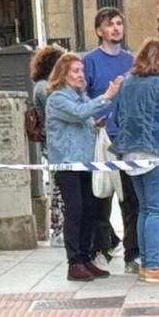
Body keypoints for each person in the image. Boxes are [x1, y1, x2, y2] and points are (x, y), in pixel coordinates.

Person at [45, 51, 122, 281]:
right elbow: (79, 114)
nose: (81, 75)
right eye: (75, 71)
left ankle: (86, 257)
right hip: (68, 164)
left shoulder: (82, 97)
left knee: (91, 210)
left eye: (81, 71)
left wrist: (96, 125)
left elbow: (85, 118)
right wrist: (106, 96)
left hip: (86, 163)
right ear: (63, 75)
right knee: (76, 211)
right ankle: (74, 261)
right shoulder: (58, 99)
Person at [108, 39, 159, 283]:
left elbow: (119, 115)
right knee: (157, 210)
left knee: (145, 209)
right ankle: (155, 266)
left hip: (130, 154)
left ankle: (146, 262)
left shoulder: (127, 83)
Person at [85, 9, 138, 268]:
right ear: (99, 31)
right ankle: (100, 249)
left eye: (119, 23)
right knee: (100, 196)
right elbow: (81, 95)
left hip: (128, 139)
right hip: (101, 137)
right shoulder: (90, 61)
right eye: (110, 25)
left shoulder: (131, 61)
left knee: (129, 199)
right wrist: (93, 119)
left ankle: (132, 254)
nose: (116, 28)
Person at [30, 45, 65, 246]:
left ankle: (58, 228)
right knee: (58, 187)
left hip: (49, 142)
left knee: (57, 185)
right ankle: (58, 229)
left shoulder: (40, 86)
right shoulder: (45, 88)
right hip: (54, 143)